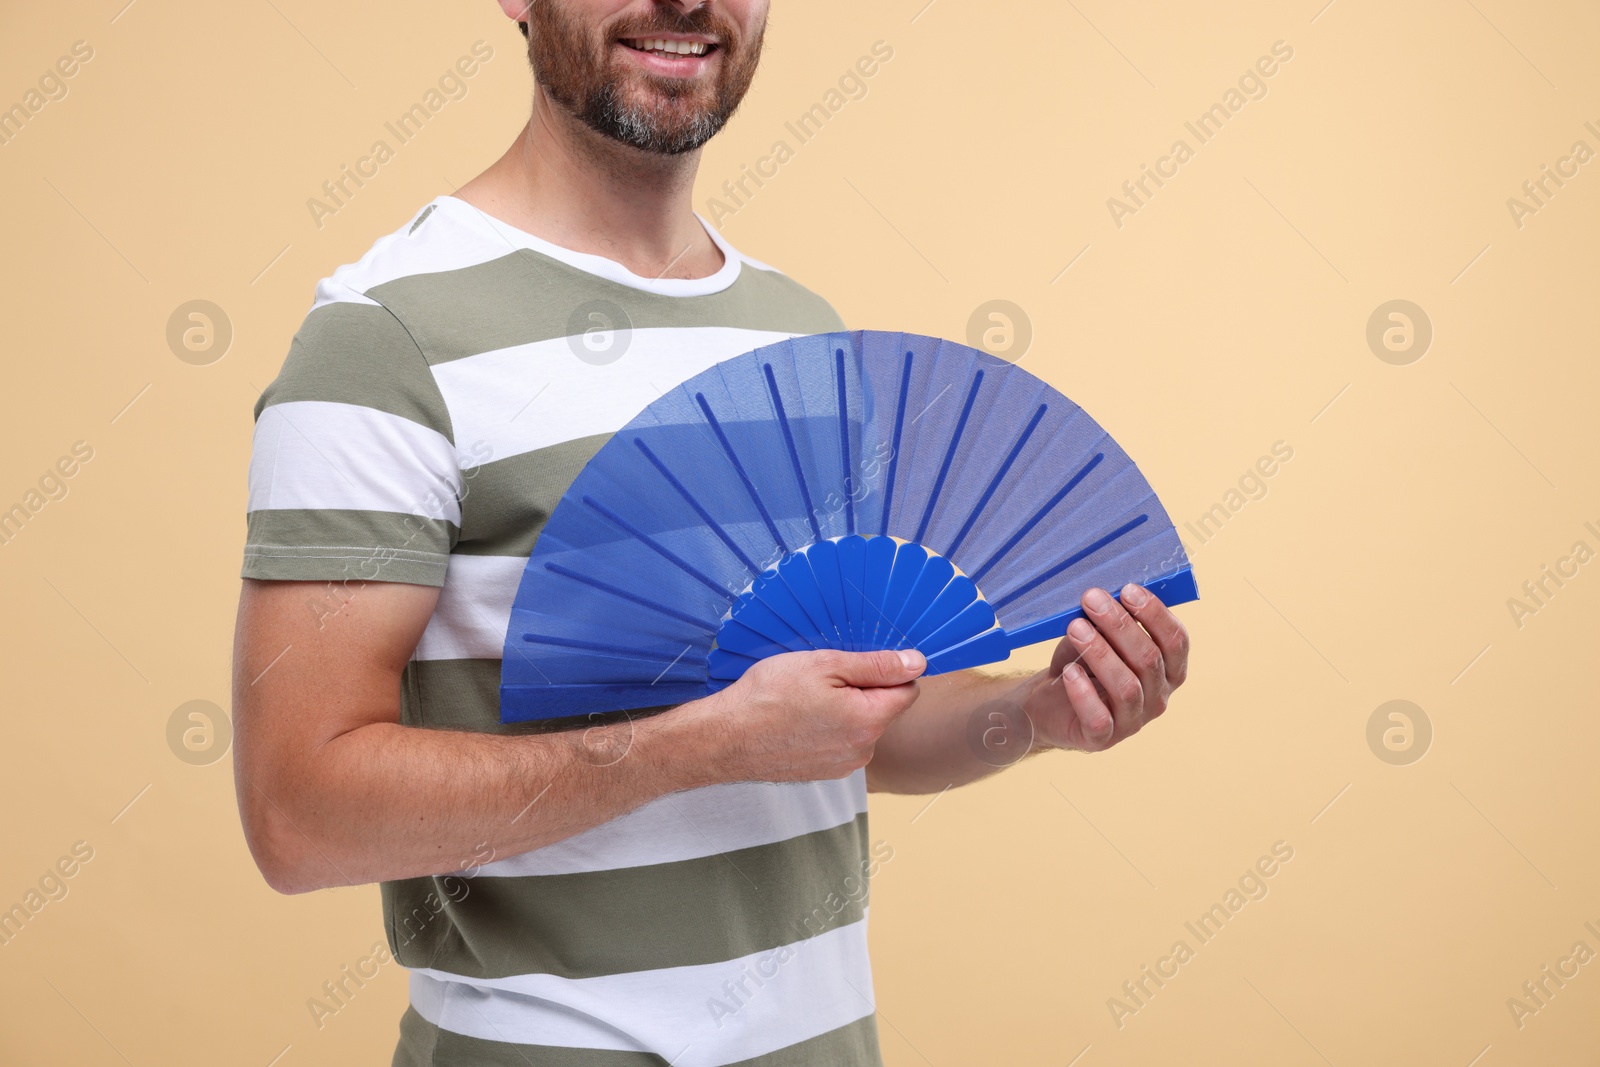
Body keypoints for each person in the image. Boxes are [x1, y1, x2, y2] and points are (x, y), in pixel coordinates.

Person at [230, 1, 1192, 1063]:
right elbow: (299, 814)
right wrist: (702, 746)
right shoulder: (385, 337)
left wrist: (1037, 709)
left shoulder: (799, 331)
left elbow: (851, 721)